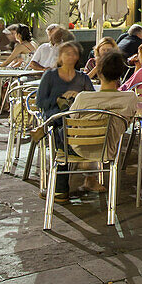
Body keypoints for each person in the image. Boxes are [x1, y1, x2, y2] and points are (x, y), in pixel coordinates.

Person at [72, 49, 138, 193]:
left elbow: (72, 121)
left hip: (78, 148)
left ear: (99, 73)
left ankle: (58, 187)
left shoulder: (83, 97)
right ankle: (90, 178)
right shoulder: (131, 98)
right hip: (109, 147)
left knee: (57, 129)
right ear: (121, 74)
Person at [36, 41, 94, 201]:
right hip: (55, 118)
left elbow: (91, 101)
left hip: (77, 120)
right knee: (61, 127)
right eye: (67, 53)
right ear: (60, 56)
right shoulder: (50, 76)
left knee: (65, 129)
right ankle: (74, 154)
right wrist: (60, 98)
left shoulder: (83, 78)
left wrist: (77, 96)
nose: (71, 56)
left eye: (74, 53)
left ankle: (60, 189)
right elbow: (40, 102)